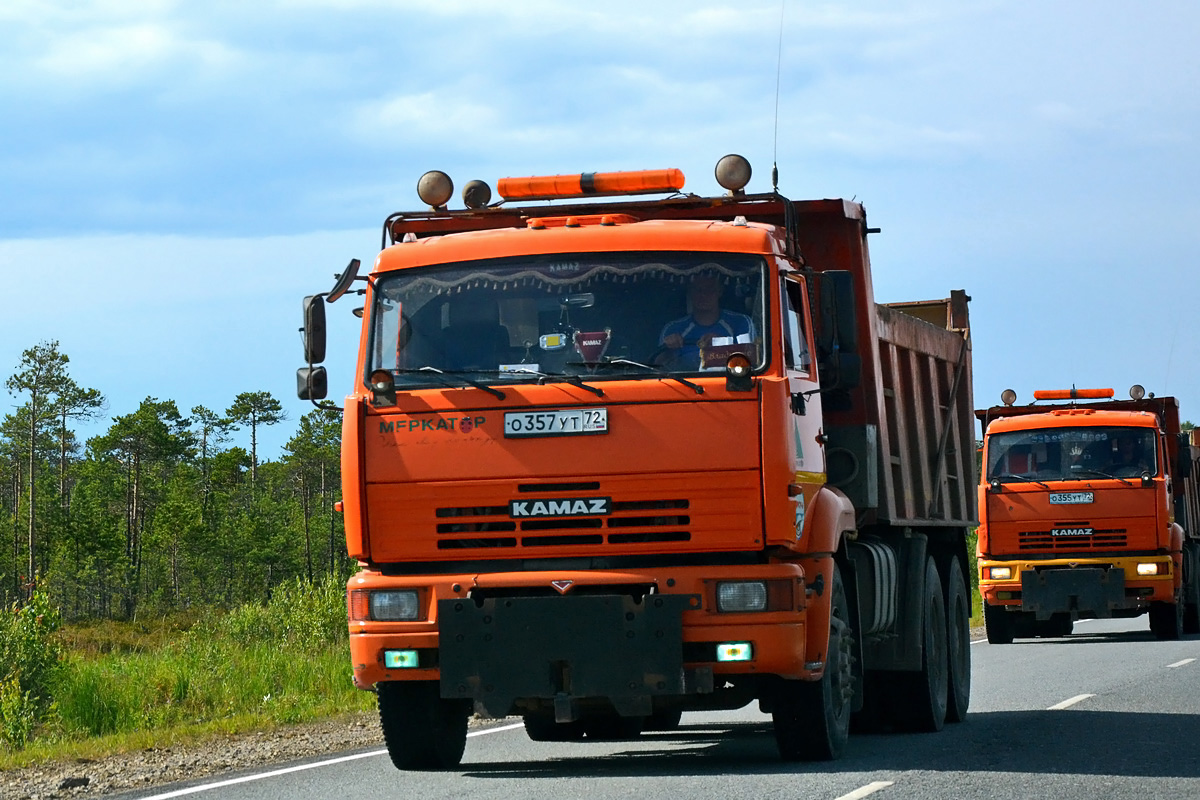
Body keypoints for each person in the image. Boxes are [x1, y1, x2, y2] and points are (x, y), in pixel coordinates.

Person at [657, 275, 755, 369]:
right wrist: (668, 350)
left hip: (729, 382)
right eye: (698, 290)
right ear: (690, 292)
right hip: (682, 383)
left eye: (709, 290)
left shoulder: (741, 322)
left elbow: (754, 360)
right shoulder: (673, 328)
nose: (703, 295)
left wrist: (721, 345)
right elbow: (657, 370)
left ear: (719, 291)